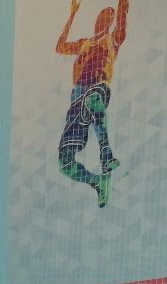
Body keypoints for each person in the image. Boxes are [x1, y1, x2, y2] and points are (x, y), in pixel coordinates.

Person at [55, 0, 129, 207]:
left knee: (93, 98)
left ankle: (105, 153)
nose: (105, 19)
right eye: (103, 15)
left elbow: (123, 16)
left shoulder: (112, 40)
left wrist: (122, 4)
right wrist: (72, 14)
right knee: (65, 163)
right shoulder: (84, 43)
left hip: (98, 87)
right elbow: (60, 47)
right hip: (77, 97)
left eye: (110, 16)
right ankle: (97, 182)